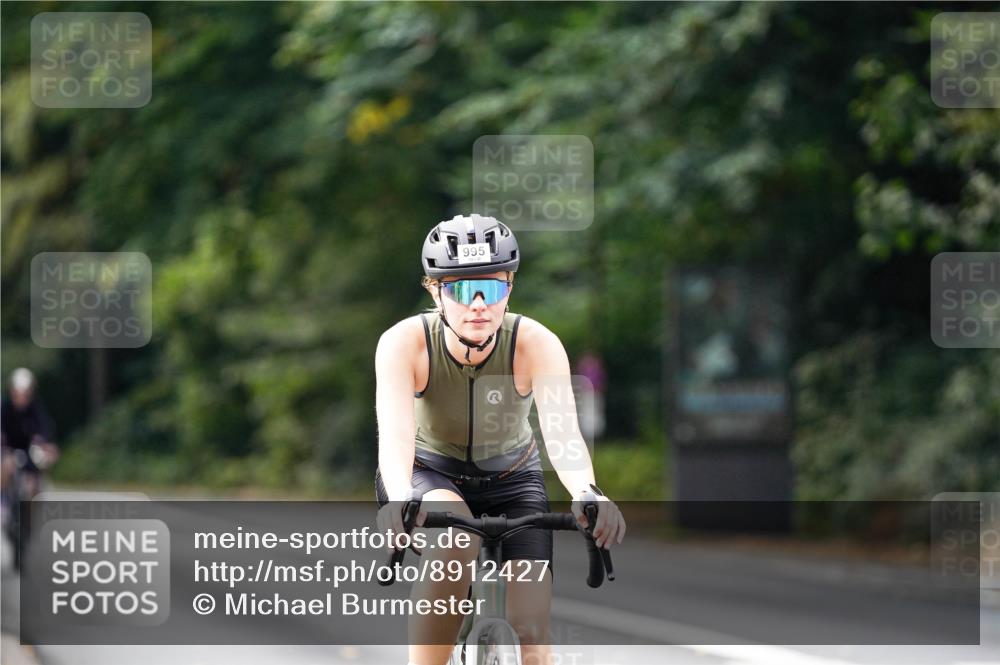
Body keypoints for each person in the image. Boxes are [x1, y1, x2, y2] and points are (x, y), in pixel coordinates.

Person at [374, 214, 626, 665]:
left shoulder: (535, 343)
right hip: (430, 473)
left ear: (509, 288)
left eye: (490, 290)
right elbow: (395, 437)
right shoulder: (405, 343)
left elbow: (562, 433)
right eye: (461, 290)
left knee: (532, 643)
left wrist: (588, 492)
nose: (478, 305)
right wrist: (398, 499)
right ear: (435, 291)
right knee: (455, 541)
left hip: (513, 478)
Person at [1, 368, 58, 570]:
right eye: (19, 393)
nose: (22, 397)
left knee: (34, 482)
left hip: (29, 454)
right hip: (8, 451)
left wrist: (47, 446)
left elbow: (45, 431)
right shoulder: (5, 408)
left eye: (25, 393)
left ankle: (31, 511)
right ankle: (3, 504)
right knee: (5, 466)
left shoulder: (35, 409)